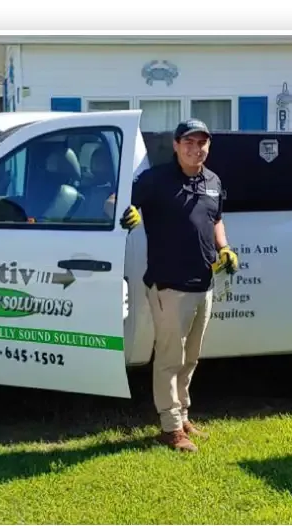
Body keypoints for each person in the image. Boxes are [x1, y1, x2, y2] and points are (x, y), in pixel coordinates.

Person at [119, 119, 239, 452]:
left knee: (191, 358)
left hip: (204, 283)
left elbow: (216, 219)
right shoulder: (155, 180)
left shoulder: (212, 181)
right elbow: (118, 203)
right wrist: (130, 214)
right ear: (175, 145)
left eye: (202, 142)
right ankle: (170, 427)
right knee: (170, 358)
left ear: (208, 146)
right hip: (168, 287)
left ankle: (183, 416)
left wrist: (224, 247)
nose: (195, 148)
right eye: (188, 142)